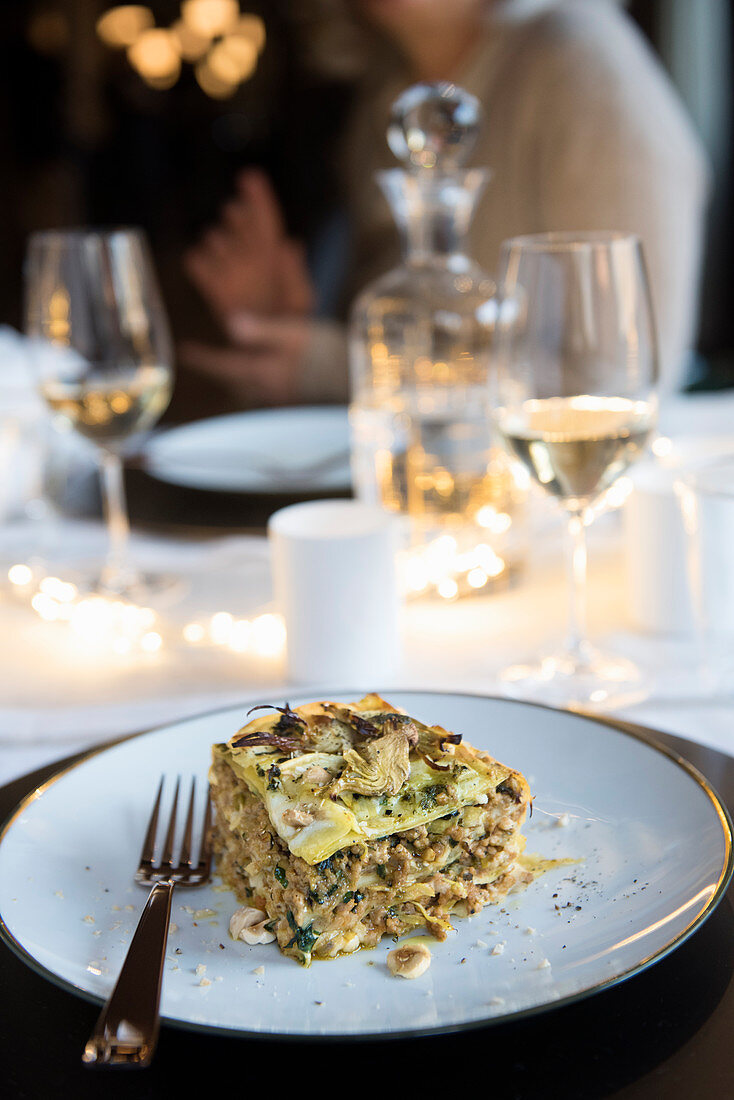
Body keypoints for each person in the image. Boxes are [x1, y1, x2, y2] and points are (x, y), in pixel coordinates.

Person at [179, 0, 710, 410]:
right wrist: (286, 327)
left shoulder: (584, 64)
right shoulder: (384, 99)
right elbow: (402, 337)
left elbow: (623, 381)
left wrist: (332, 365)